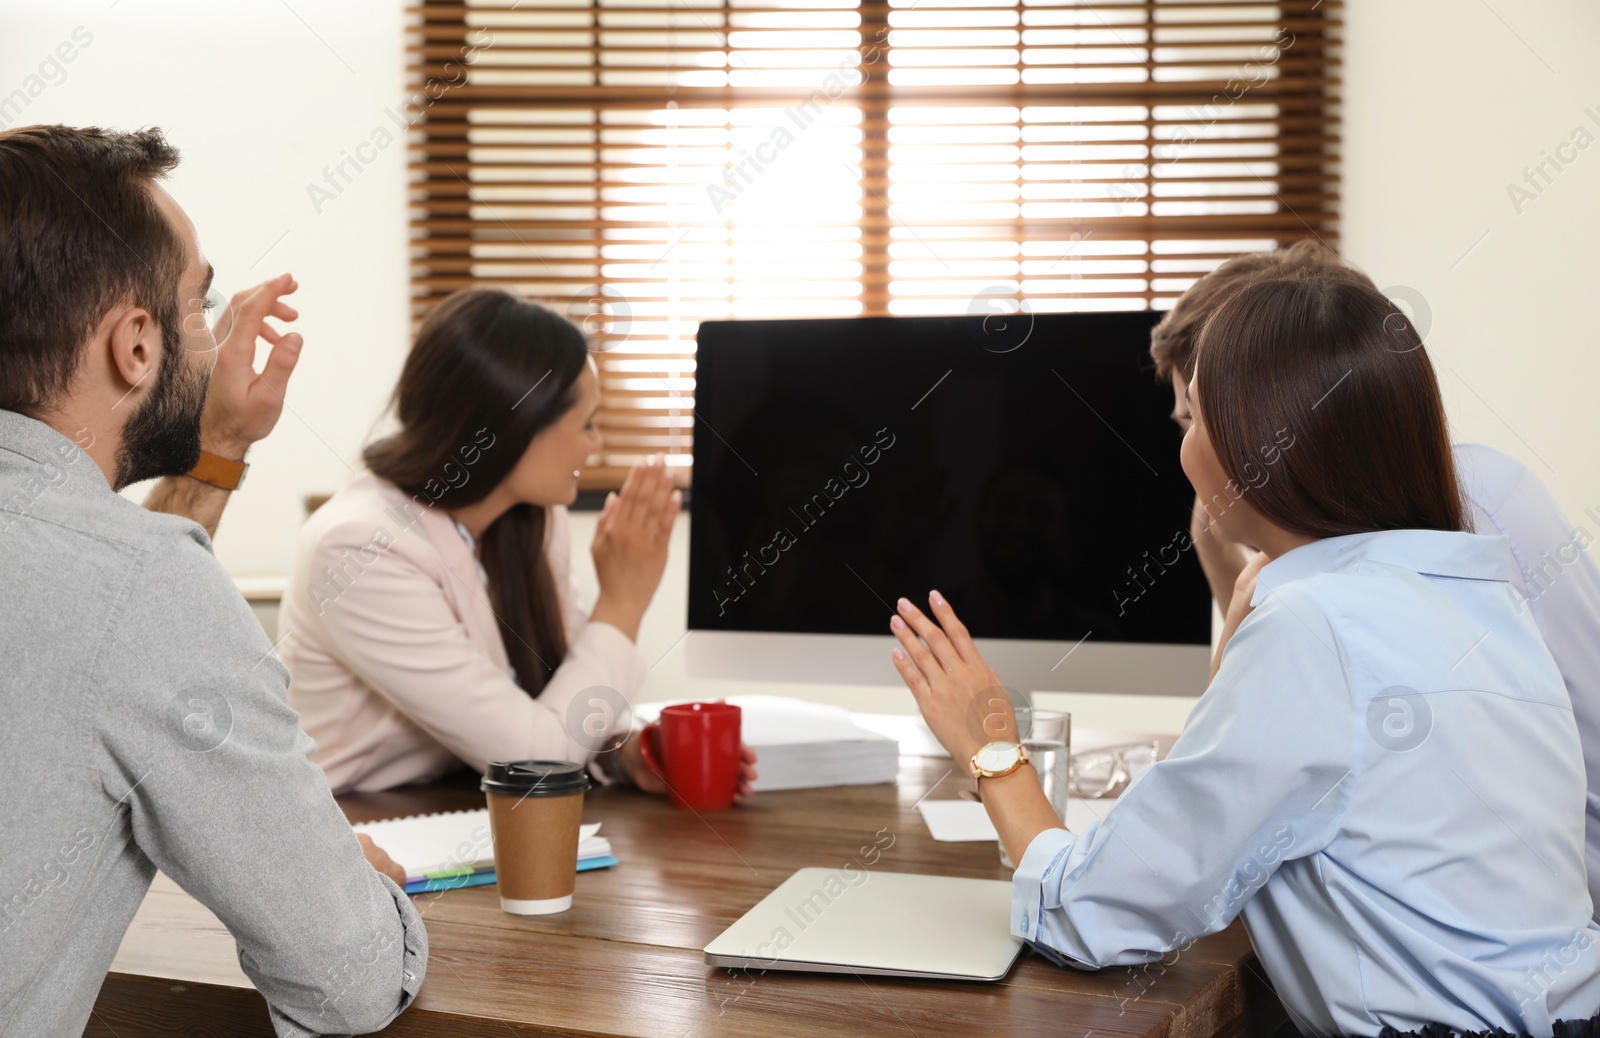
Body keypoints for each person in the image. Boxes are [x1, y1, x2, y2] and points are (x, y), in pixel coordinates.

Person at [888, 263, 1600, 1035]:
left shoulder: (1315, 626)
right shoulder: (1476, 589)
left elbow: (1093, 912)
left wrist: (990, 745)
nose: (1184, 450)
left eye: (1191, 420)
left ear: (1256, 442)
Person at [0, 125, 425, 1038]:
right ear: (136, 347)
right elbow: (344, 979)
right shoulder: (136, 585)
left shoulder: (110, 583)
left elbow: (89, 627)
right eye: (200, 307)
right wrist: (356, 894)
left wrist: (219, 445)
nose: (216, 338)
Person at [1153, 241, 1600, 917]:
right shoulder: (1333, 548)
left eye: (1201, 417)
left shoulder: (1471, 501)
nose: (1193, 454)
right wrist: (1227, 564)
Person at [280, 288, 757, 796]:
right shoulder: (360, 549)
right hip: (357, 827)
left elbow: (559, 704)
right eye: (587, 423)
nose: (598, 445)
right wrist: (624, 602)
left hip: (461, 804)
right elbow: (537, 762)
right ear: (514, 428)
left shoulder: (529, 519)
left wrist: (624, 754)